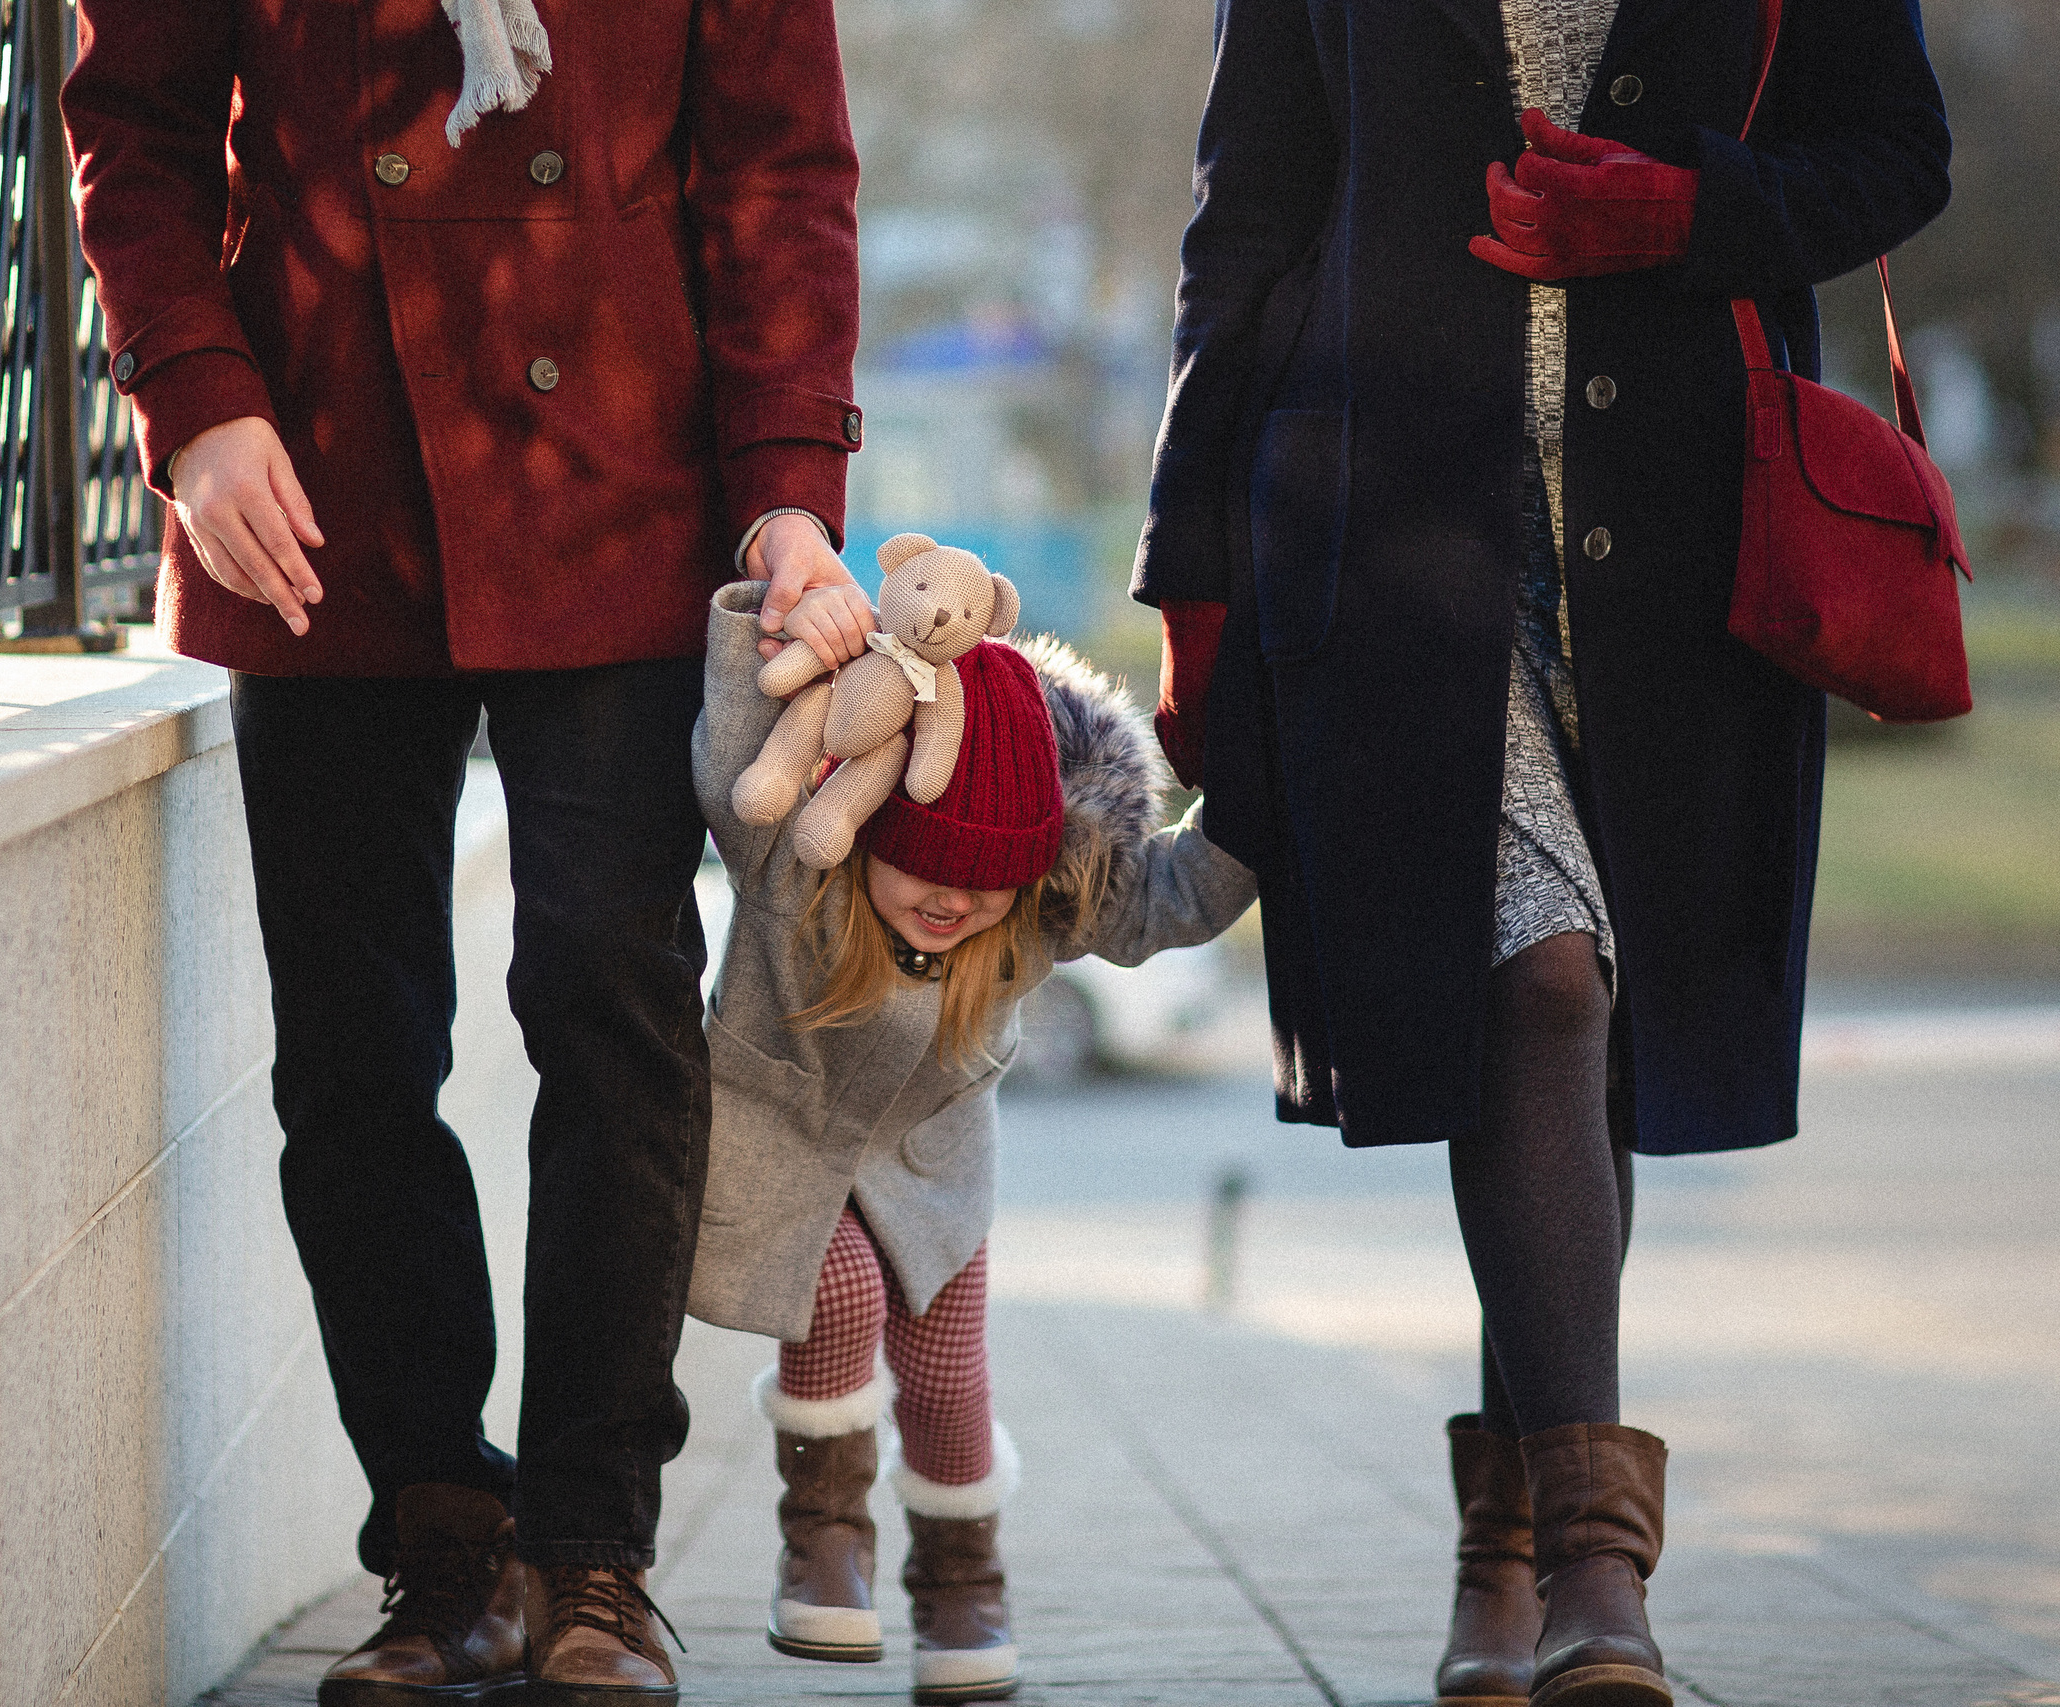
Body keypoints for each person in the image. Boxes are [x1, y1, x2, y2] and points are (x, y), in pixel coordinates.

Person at [1134, 0, 1950, 1701]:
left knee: (1597, 1040)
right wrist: (1193, 572)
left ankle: (1502, 1548)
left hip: (1681, 542)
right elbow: (1251, 212)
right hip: (1391, 529)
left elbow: (1894, 154)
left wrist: (1685, 210)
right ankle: (1598, 1560)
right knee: (1544, 983)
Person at [59, 5, 865, 1704]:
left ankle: (592, 1551)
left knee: (605, 981)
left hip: (621, 475)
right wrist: (196, 399)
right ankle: (441, 1545)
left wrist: (790, 480)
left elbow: (778, 165)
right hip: (322, 477)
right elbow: (129, 127)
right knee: (355, 1050)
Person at [686, 554, 1258, 1704]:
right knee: (838, 1291)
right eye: (925, 871)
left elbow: (1175, 895)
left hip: (927, 1167)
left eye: (985, 887)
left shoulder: (1038, 912)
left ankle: (963, 1578)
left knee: (947, 1374)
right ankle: (825, 1529)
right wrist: (778, 600)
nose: (951, 904)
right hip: (777, 1143)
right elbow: (731, 751)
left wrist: (1271, 792)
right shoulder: (797, 858)